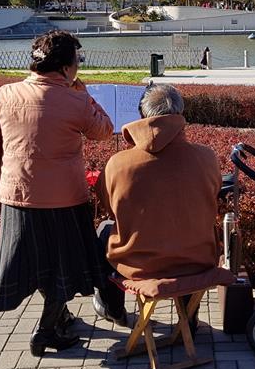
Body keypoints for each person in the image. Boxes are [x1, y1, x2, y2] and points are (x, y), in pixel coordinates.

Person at [0, 31, 114, 357]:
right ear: (67, 67)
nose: (78, 66)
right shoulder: (75, 98)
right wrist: (83, 93)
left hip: (16, 198)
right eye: (77, 61)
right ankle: (46, 331)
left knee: (39, 265)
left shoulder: (5, 93)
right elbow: (105, 130)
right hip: (65, 200)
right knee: (65, 268)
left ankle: (59, 316)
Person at [93, 84, 221, 324]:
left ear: (142, 115)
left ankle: (113, 308)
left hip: (139, 267)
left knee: (103, 232)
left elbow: (110, 209)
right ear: (181, 114)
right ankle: (188, 319)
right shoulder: (207, 157)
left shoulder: (118, 163)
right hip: (198, 261)